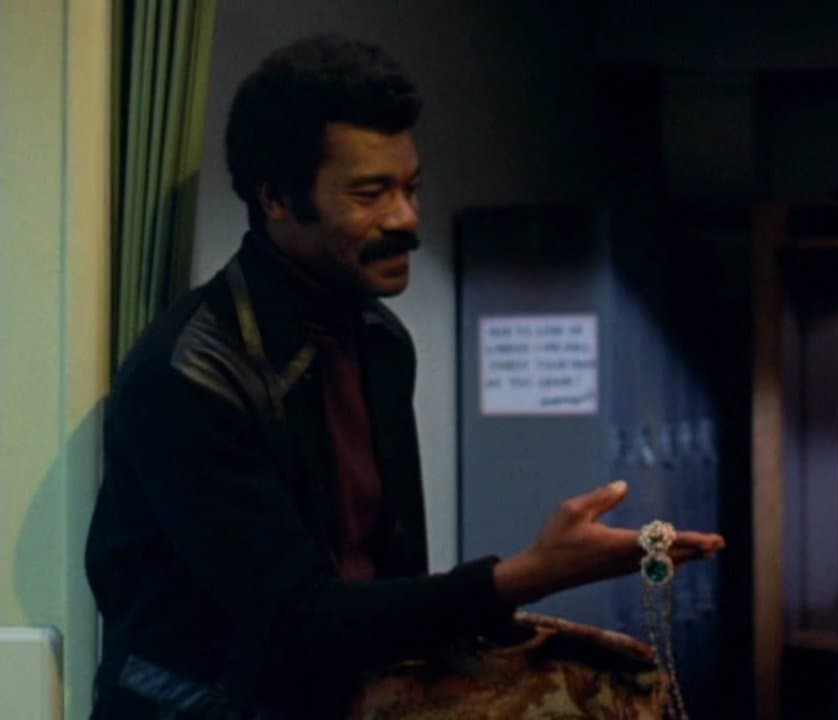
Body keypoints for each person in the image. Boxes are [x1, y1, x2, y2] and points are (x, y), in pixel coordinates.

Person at [85, 35, 722, 719]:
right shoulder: (190, 375)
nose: (406, 218)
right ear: (276, 198)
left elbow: (388, 579)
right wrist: (524, 576)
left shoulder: (379, 340)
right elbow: (292, 617)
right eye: (370, 194)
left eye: (410, 187)